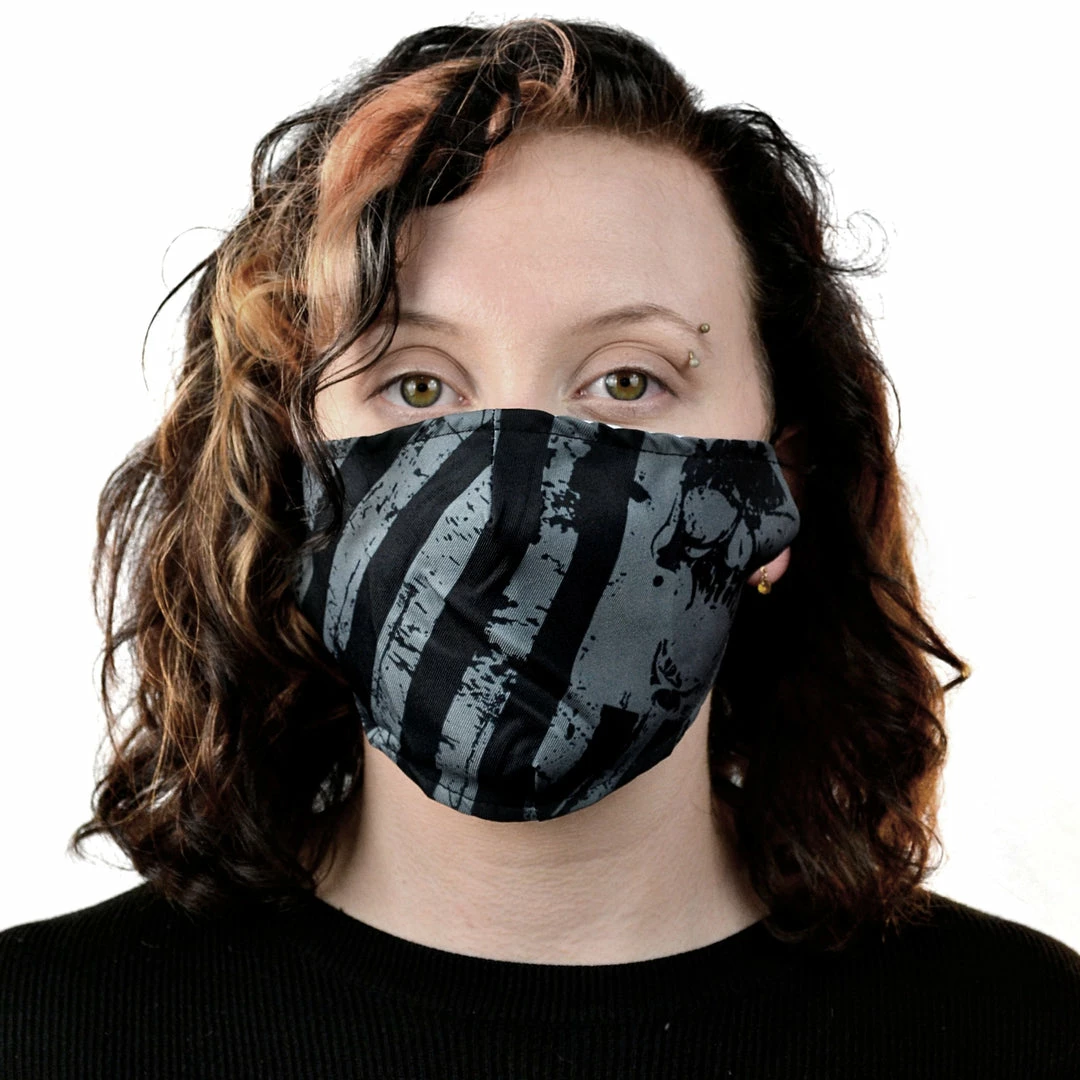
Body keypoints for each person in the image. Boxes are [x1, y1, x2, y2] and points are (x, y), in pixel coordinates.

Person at [1, 16, 1077, 1079]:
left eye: (628, 379)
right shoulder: (43, 1032)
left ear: (778, 482)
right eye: (416, 385)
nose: (511, 502)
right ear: (294, 476)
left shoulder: (1024, 1035)